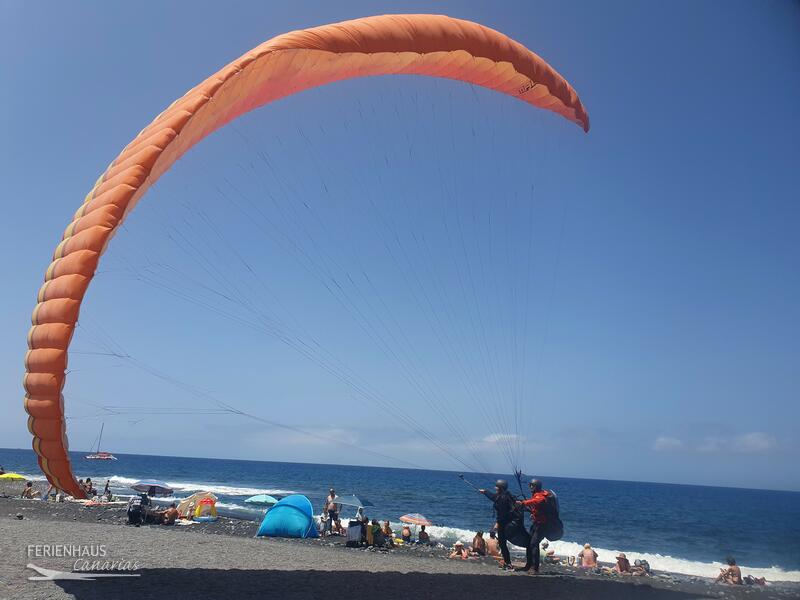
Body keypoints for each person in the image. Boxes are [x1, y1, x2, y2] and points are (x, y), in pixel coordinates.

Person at [517, 478, 558, 573]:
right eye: (530, 485)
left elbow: (538, 501)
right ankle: (528, 565)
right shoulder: (535, 495)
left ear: (537, 487)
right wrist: (534, 514)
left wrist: (523, 503)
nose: (530, 487)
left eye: (532, 485)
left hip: (543, 525)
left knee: (534, 544)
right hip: (536, 523)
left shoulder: (541, 495)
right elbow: (538, 506)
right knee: (529, 543)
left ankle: (535, 568)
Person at [479, 479, 516, 570]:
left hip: (504, 524)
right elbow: (493, 496)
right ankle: (507, 562)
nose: (495, 488)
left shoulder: (502, 498)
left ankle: (508, 564)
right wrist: (485, 492)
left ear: (500, 488)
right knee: (502, 543)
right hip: (507, 523)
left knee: (502, 544)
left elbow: (502, 513)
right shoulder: (505, 495)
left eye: (497, 487)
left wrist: (498, 524)